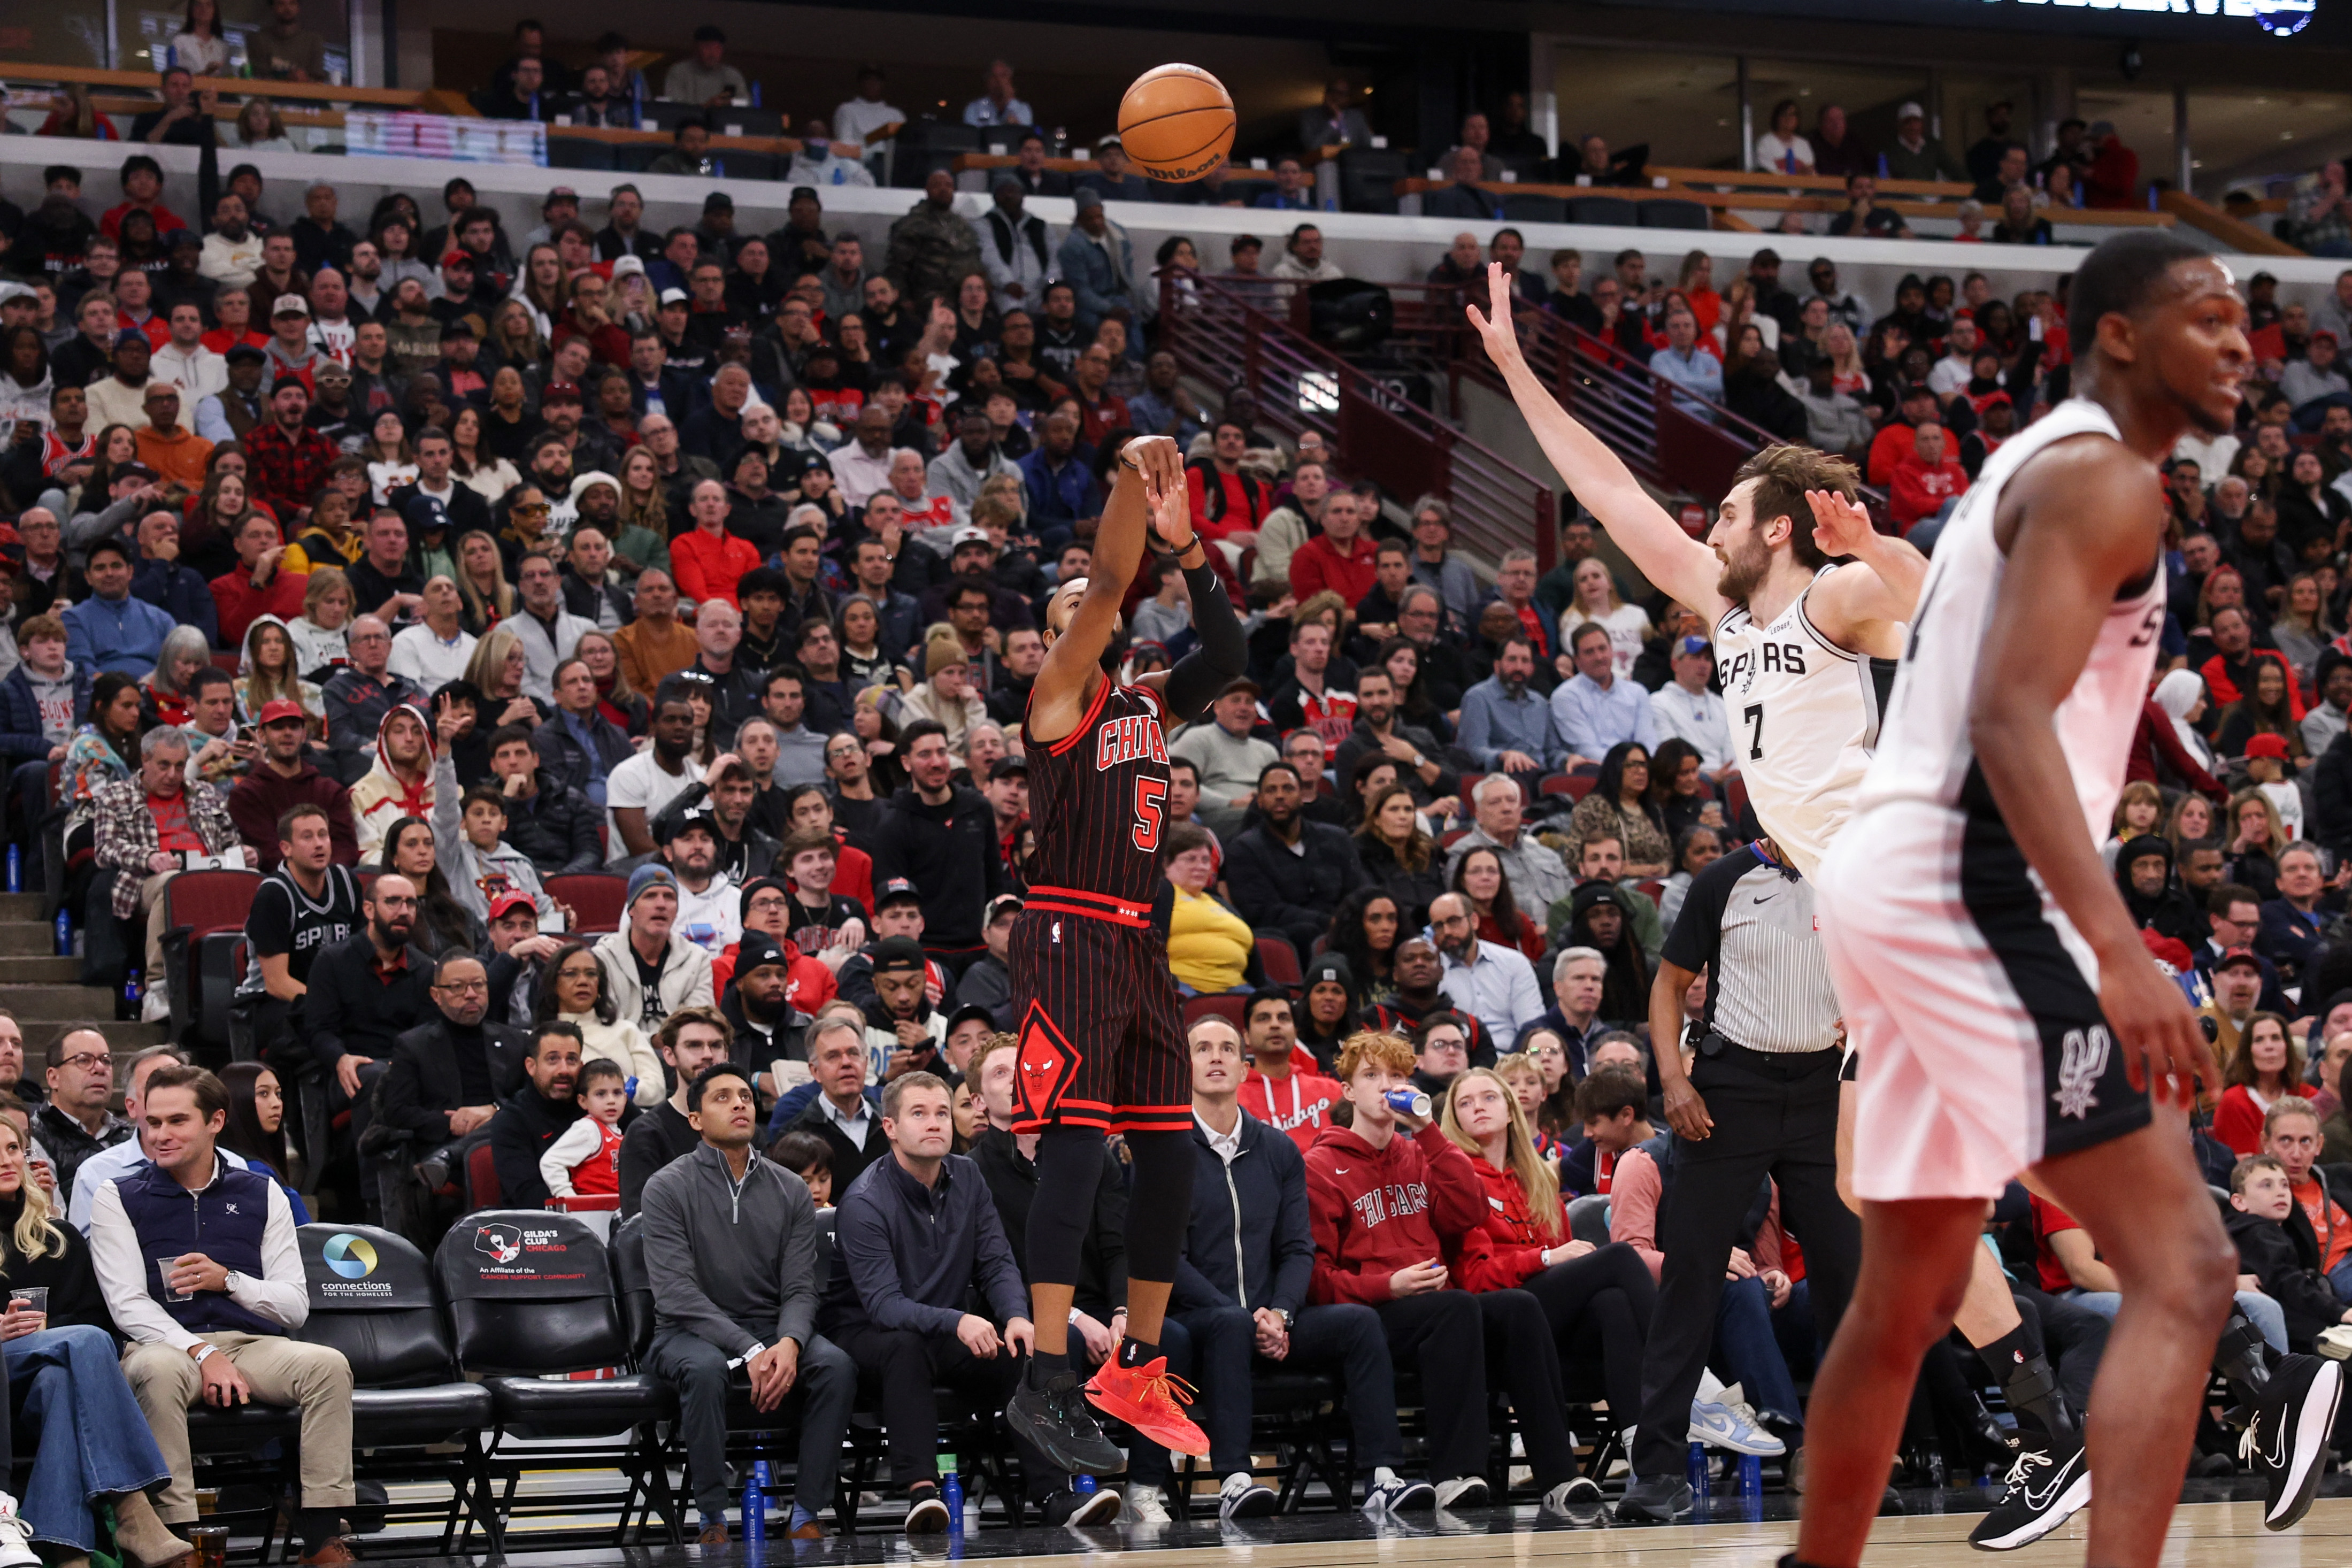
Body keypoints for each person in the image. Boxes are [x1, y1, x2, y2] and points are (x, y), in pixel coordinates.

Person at [1805, 231, 2341, 1568]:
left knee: (1909, 1288)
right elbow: (2007, 715)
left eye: (2246, 323)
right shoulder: (2105, 476)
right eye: (2205, 317)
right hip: (1965, 884)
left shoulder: (2044, 457)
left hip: (1888, 876)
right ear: (2116, 334)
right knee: (2191, 1267)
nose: (2238, 342)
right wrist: (2116, 946)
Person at [1471, 263, 1926, 878]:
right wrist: (1513, 368)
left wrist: (1870, 547)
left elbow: (1935, 595)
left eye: (1728, 517)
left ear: (1777, 529)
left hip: (1899, 860)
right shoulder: (1724, 605)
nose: (1710, 535)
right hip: (1837, 880)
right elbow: (1611, 491)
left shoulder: (1835, 597)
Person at [995, 433, 1242, 1472]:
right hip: (1066, 932)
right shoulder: (1058, 701)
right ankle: (1046, 1374)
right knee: (1079, 1147)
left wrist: (1189, 549)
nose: (1083, 624)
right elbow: (1102, 581)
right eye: (1065, 623)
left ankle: (1134, 1364)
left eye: (1086, 624)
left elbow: (1228, 658)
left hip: (1138, 941)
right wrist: (1132, 486)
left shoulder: (1148, 705)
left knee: (1173, 1149)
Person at [1306, 1028, 1591, 1510]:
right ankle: (1456, 1474)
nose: (1385, 1086)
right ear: (1349, 1091)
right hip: (1371, 1312)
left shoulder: (1421, 1151)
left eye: (1395, 1075)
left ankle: (1558, 1476)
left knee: (1519, 1308)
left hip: (1435, 1307)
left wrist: (1428, 1130)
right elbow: (1315, 1277)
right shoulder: (1319, 1164)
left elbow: (1468, 1211)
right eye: (1371, 1076)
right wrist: (1386, 1286)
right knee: (1457, 1308)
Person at [87, 1064, 359, 1565]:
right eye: (152, 1122)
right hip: (164, 1345)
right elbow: (126, 1304)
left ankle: (321, 1539)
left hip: (254, 1345)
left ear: (215, 1121)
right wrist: (204, 1352)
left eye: (176, 1121)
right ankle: (177, 1543)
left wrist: (228, 1280)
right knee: (155, 1371)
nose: (160, 1135)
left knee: (327, 1365)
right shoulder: (118, 1195)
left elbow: (294, 1305)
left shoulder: (261, 1191)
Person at [1162, 1014, 1424, 1519]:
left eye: (1227, 1049)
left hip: (1274, 1323)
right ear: (1183, 1067)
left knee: (1359, 1323)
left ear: (1246, 1070)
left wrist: (1280, 1314)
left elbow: (1298, 1249)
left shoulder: (1279, 1149)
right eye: (1202, 1049)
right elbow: (1167, 1260)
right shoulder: (1168, 1153)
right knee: (1228, 1322)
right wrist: (1241, 1315)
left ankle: (1383, 1476)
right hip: (1200, 1323)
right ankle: (1236, 1479)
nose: (1216, 1057)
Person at [640, 1060, 857, 1542]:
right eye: (722, 1097)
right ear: (695, 1120)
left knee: (836, 1365)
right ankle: (713, 1515)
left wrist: (790, 1343)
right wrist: (751, 1349)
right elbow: (677, 1295)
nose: (740, 1103)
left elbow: (802, 1287)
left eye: (744, 1095)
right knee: (703, 1368)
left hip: (770, 1327)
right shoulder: (666, 1187)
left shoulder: (791, 1190)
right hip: (686, 1332)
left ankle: (806, 1513)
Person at [617, 1008, 734, 1214]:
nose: (707, 1055)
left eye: (716, 1046)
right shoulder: (646, 1134)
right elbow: (639, 1223)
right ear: (669, 1055)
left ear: (726, 1054)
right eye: (694, 1046)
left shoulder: (743, 1126)